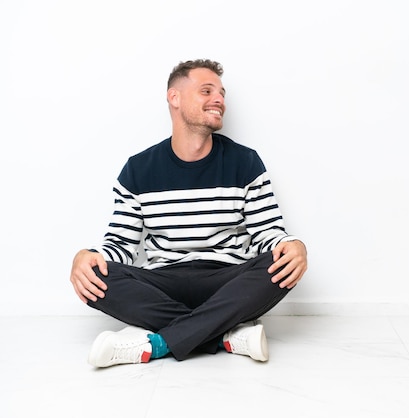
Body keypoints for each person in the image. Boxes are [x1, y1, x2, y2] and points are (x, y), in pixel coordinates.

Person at [69, 59, 307, 368]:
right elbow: (121, 247)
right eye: (206, 91)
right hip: (165, 282)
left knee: (280, 263)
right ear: (175, 97)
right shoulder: (138, 169)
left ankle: (158, 343)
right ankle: (224, 335)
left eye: (221, 93)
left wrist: (291, 246)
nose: (219, 99)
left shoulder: (245, 162)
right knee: (94, 273)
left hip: (227, 281)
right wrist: (86, 256)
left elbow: (268, 235)